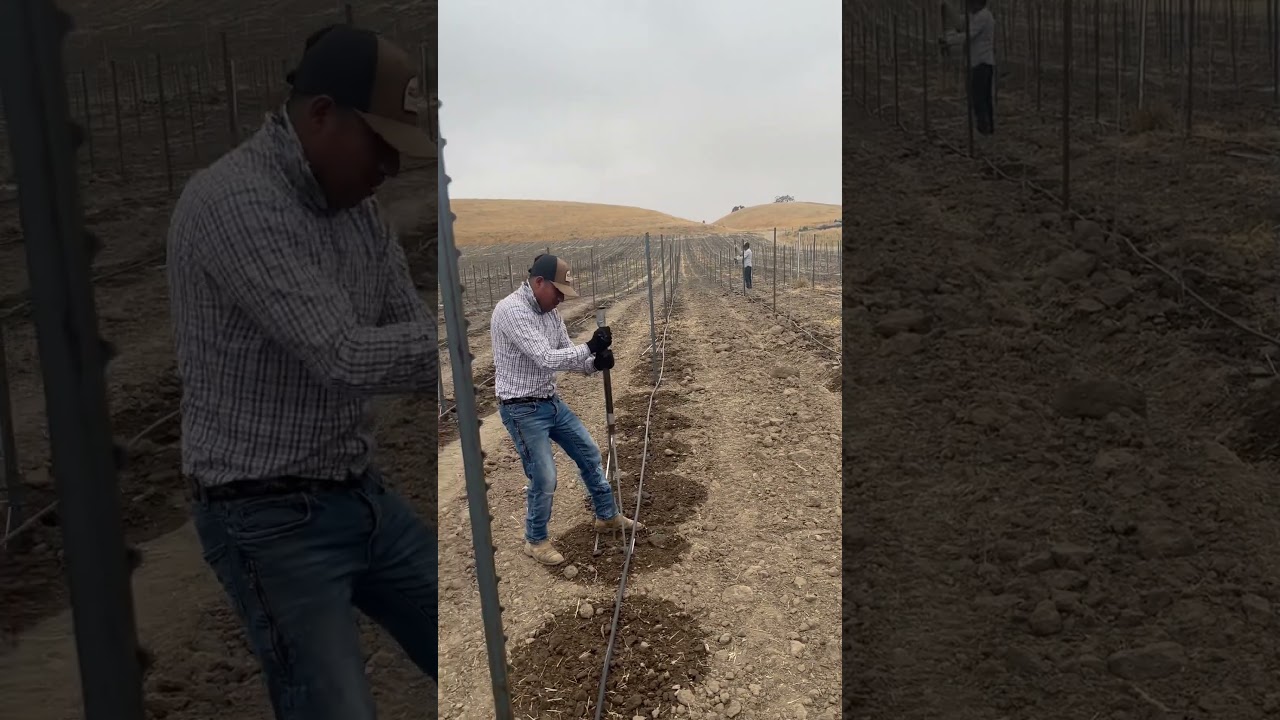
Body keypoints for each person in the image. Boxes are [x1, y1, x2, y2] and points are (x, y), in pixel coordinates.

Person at [166, 24, 437, 720]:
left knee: (462, 632)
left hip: (359, 494)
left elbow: (405, 331)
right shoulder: (235, 203)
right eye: (379, 147)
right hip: (267, 518)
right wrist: (479, 341)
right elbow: (347, 354)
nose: (390, 170)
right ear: (321, 115)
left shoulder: (361, 215)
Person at [489, 254, 643, 566]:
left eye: (564, 293)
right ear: (539, 282)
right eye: (557, 292)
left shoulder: (550, 313)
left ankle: (607, 515)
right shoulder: (511, 311)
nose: (560, 299)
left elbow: (565, 355)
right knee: (544, 476)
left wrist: (594, 362)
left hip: (549, 401)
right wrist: (590, 346)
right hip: (521, 410)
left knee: (588, 453)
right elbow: (545, 357)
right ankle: (535, 540)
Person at [943, 0, 996, 136]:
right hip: (979, 62)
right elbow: (961, 22)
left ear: (977, 4)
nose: (967, 7)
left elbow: (968, 34)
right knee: (984, 98)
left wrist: (947, 40)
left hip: (982, 63)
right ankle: (988, 129)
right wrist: (948, 8)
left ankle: (984, 129)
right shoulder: (976, 16)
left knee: (979, 98)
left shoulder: (983, 16)